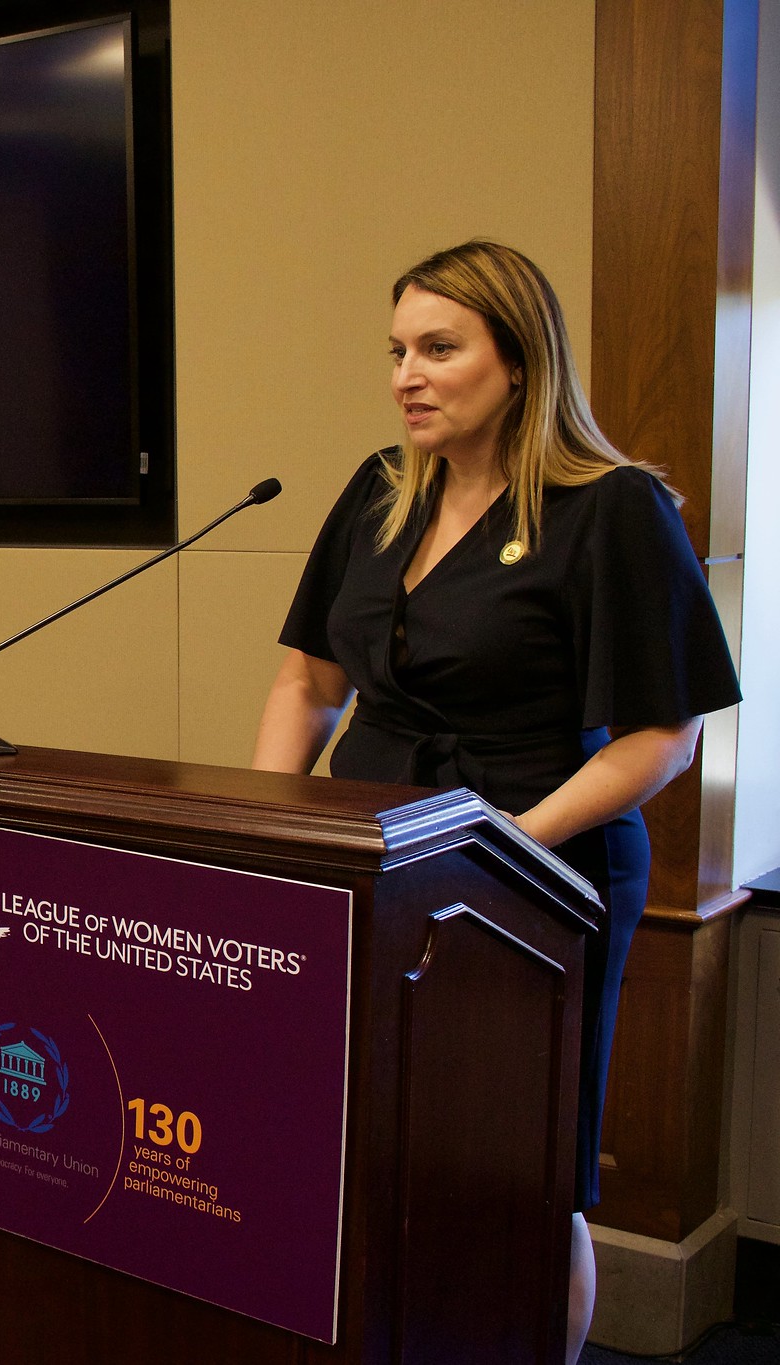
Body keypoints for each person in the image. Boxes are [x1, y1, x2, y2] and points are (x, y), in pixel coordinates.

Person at [251, 240, 739, 1363]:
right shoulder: (377, 491)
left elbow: (667, 733)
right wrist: (274, 827)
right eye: (394, 352)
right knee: (364, 1148)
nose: (404, 376)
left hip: (533, 872)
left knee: (516, 1169)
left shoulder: (609, 508)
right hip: (370, 855)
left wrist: (498, 850)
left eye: (437, 348)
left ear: (517, 362)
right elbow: (306, 681)